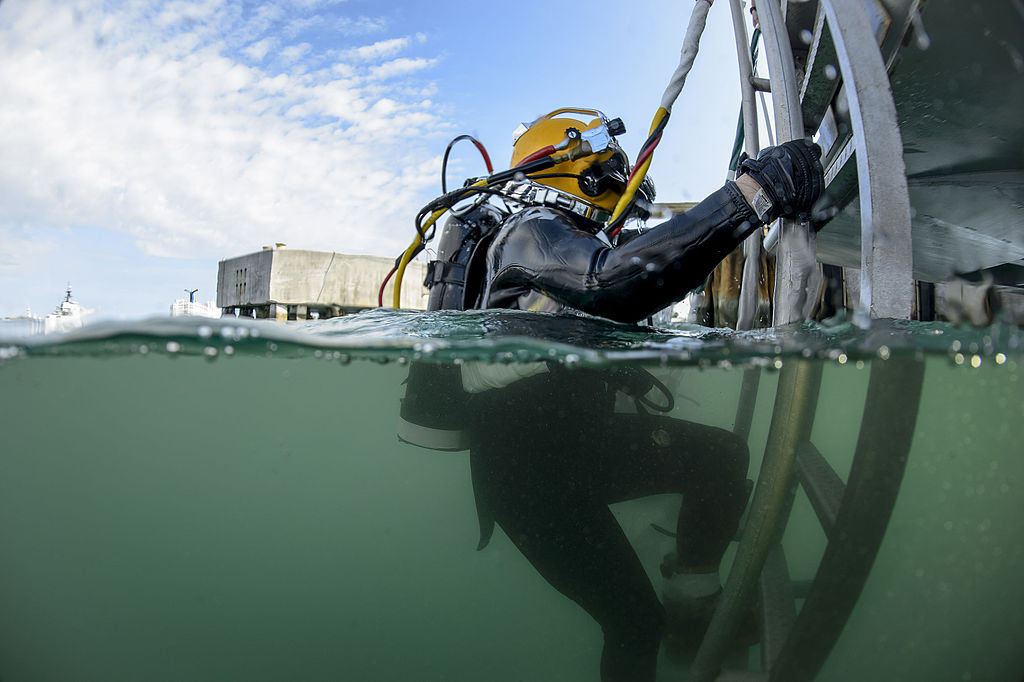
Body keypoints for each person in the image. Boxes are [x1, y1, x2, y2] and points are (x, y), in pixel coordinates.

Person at [400, 108, 824, 681]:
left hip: (580, 448)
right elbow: (610, 283)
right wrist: (755, 193)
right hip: (526, 480)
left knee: (721, 457)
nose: (626, 185)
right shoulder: (531, 232)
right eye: (615, 169)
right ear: (576, 166)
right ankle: (670, 621)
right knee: (633, 622)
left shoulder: (558, 241)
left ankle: (693, 606)